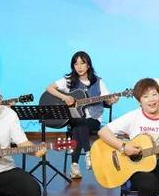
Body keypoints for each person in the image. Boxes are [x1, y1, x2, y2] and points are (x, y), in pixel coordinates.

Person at [45, 51, 118, 179]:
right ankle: (89, 153)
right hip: (74, 118)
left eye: (82, 63)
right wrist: (65, 97)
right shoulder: (69, 81)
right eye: (76, 64)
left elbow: (108, 100)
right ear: (73, 66)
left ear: (88, 65)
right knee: (79, 122)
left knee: (79, 126)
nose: (79, 67)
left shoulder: (98, 82)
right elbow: (49, 88)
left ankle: (74, 166)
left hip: (93, 120)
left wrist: (113, 99)